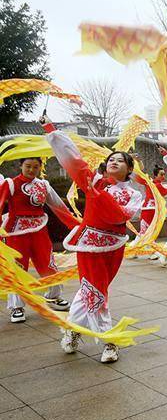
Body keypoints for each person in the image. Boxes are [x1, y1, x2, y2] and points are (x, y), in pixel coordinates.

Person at [44, 118, 142, 363]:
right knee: (94, 289)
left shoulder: (133, 195)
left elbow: (120, 216)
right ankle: (109, 340)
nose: (114, 162)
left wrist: (96, 195)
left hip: (113, 246)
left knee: (93, 288)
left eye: (120, 160)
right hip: (88, 243)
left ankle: (73, 330)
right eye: (111, 159)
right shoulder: (94, 181)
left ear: (129, 169)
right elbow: (74, 160)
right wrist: (51, 130)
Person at [0, 158, 80, 323]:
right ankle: (17, 306)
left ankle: (53, 296)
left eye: (35, 167)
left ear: (40, 168)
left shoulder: (44, 185)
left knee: (48, 264)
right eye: (28, 166)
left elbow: (58, 206)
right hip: (16, 233)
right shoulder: (11, 183)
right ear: (21, 166)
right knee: (17, 268)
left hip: (39, 231)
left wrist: (76, 225)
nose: (31, 170)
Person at [132, 164, 167, 258]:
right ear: (155, 175)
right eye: (161, 174)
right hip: (149, 210)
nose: (163, 176)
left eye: (164, 174)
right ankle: (152, 252)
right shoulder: (155, 184)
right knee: (149, 232)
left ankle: (134, 250)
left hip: (150, 209)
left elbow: (139, 178)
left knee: (144, 232)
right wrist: (138, 168)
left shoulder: (150, 183)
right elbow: (165, 191)